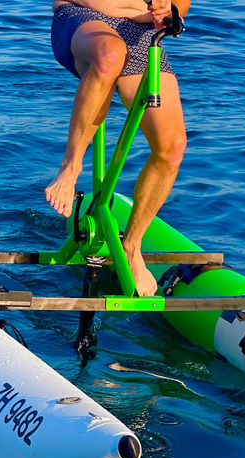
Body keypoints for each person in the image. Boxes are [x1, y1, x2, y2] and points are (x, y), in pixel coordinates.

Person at [46, 0, 190, 297]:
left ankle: (132, 245)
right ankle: (71, 166)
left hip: (139, 34)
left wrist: (169, 9)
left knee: (172, 147)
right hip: (81, 21)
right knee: (111, 55)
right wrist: (132, 8)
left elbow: (182, 5)